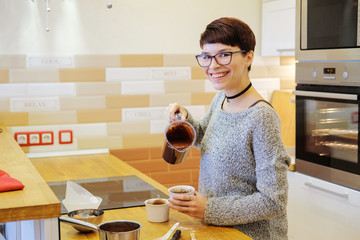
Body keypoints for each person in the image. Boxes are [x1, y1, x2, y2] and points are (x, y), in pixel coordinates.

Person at [166, 17, 290, 240]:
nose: (213, 66)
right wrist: (184, 118)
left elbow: (274, 200)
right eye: (206, 56)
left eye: (224, 55)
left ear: (248, 57)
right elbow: (205, 136)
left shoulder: (262, 116)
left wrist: (209, 209)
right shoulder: (221, 98)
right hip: (218, 232)